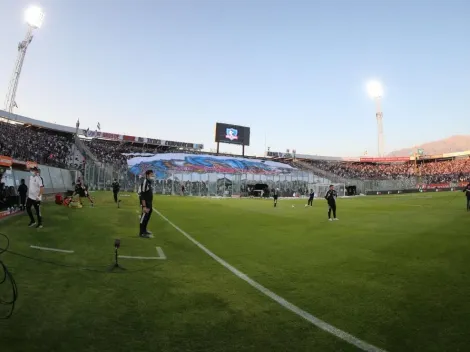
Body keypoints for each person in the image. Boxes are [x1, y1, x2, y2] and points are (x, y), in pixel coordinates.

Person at [138, 170, 154, 238]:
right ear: (147, 175)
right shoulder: (145, 182)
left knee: (147, 218)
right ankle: (141, 233)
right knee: (144, 218)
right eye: (151, 175)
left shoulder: (149, 182)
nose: (152, 176)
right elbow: (142, 195)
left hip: (149, 203)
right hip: (146, 204)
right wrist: (144, 206)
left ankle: (144, 230)